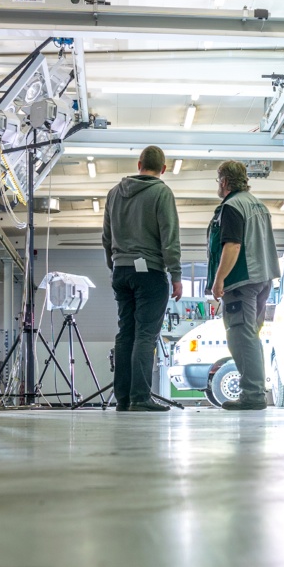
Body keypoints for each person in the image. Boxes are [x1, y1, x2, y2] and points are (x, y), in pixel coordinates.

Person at [101, 145, 182, 412]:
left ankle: (122, 398)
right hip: (150, 271)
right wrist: (177, 275)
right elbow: (169, 238)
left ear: (138, 165)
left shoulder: (114, 193)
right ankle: (140, 397)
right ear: (163, 169)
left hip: (121, 270)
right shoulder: (161, 192)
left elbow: (106, 237)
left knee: (126, 333)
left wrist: (113, 266)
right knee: (146, 335)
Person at [207, 160, 281, 411]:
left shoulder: (232, 206)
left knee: (241, 337)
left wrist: (218, 281)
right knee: (251, 336)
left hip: (241, 282)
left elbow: (233, 246)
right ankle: (255, 391)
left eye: (219, 181)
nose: (218, 185)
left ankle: (252, 395)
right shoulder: (258, 205)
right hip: (263, 280)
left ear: (225, 181)